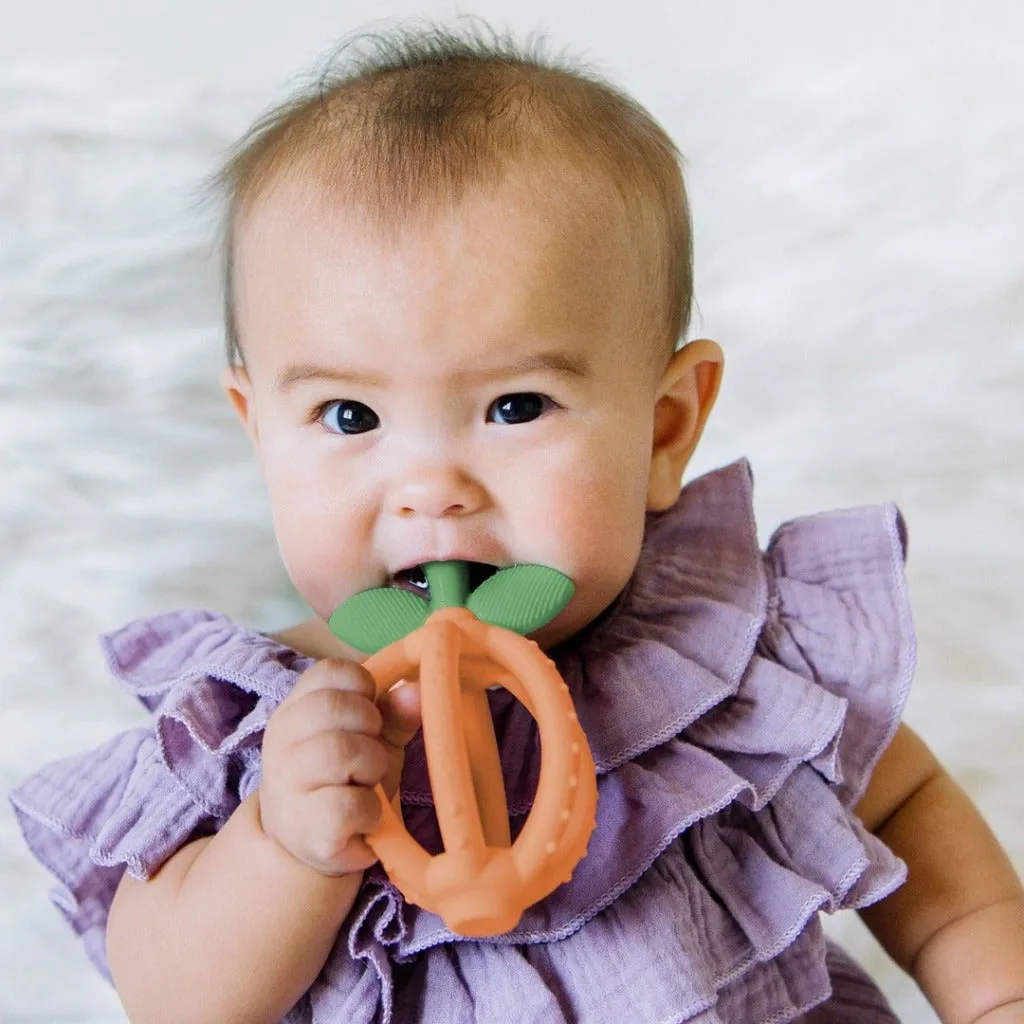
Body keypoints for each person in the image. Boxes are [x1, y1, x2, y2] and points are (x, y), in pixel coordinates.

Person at [9, 20, 1024, 1024]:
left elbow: (902, 801)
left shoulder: (725, 668)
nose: (432, 488)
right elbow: (169, 997)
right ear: (261, 432)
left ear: (665, 428)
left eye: (515, 407)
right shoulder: (255, 724)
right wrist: (280, 845)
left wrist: (990, 988)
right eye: (350, 416)